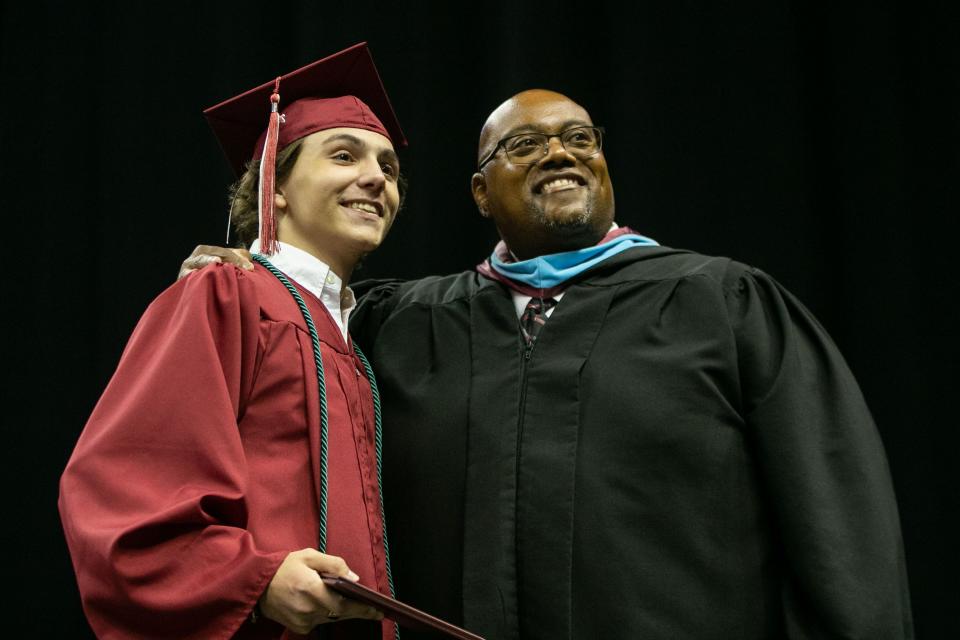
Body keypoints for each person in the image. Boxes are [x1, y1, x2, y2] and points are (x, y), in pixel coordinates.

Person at [184, 89, 914, 639]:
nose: (560, 154)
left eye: (579, 139)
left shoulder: (724, 305)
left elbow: (837, 531)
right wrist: (245, 275)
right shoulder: (399, 322)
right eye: (524, 145)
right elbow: (279, 374)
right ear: (479, 192)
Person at [60, 43, 407, 639]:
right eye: (344, 156)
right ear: (275, 186)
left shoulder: (360, 334)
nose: (376, 177)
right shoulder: (226, 294)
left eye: (389, 168)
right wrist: (254, 579)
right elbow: (125, 489)